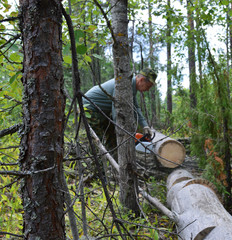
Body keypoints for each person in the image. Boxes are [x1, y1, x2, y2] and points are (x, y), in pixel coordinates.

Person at [82, 68, 157, 151]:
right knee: (96, 139)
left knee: (112, 137)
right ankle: (95, 162)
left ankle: (114, 160)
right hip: (89, 107)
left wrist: (145, 125)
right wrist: (119, 127)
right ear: (141, 80)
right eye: (148, 86)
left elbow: (135, 107)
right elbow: (116, 108)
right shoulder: (125, 85)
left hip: (101, 110)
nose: (148, 89)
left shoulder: (131, 87)